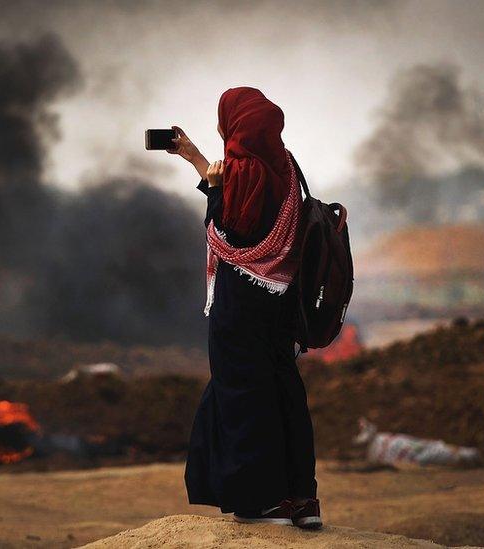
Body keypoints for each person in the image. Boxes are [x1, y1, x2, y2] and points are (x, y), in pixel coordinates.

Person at [168, 87, 321, 529]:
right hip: (282, 301)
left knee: (242, 394)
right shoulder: (286, 167)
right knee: (284, 390)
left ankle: (262, 500)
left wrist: (214, 186)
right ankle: (302, 500)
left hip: (240, 304)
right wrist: (198, 161)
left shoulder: (239, 173)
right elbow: (252, 214)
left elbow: (227, 234)